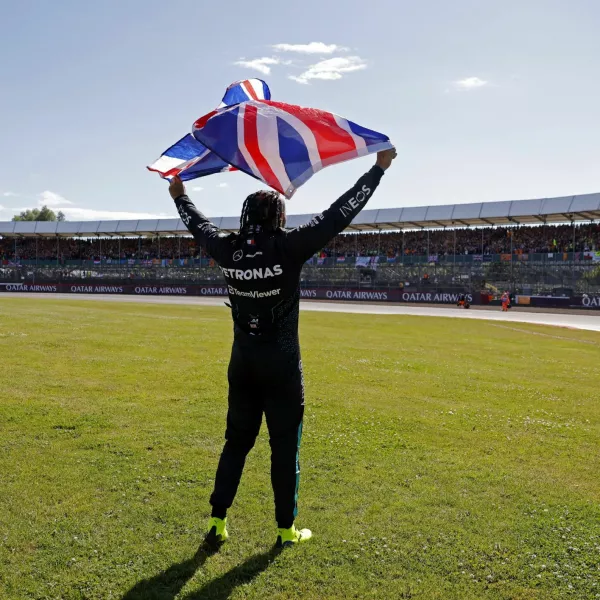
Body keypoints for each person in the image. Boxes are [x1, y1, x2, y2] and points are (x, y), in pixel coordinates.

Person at [169, 148, 397, 549]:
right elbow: (338, 214)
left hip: (242, 365)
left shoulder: (228, 250)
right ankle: (285, 530)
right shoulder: (289, 247)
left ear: (245, 217)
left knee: (236, 443)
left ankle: (218, 522)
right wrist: (377, 170)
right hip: (283, 367)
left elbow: (198, 227)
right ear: (277, 217)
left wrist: (179, 195)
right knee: (284, 448)